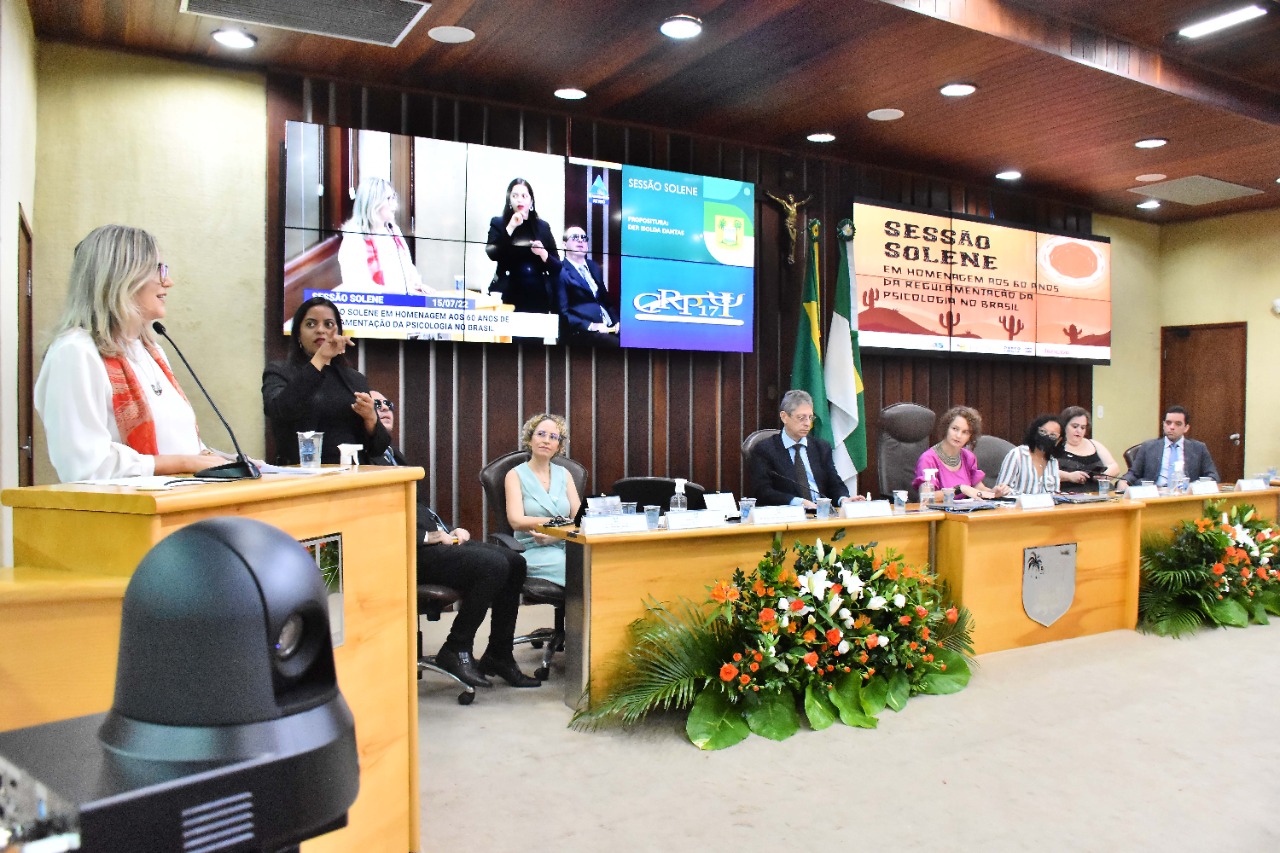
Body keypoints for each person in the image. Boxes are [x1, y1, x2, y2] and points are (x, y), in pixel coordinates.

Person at [370, 390, 538, 689]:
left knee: (514, 562)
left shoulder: (392, 454)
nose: (384, 409)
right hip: (406, 552)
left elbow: (419, 510)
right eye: (376, 405)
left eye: (388, 404)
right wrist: (427, 537)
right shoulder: (360, 459)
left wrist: (448, 530)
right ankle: (456, 647)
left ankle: (499, 654)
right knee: (493, 564)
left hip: (432, 542)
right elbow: (374, 520)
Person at [34, 225, 229, 482]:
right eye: (159, 270)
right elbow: (84, 466)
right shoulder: (75, 352)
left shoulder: (150, 351)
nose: (168, 281)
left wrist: (225, 461)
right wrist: (183, 463)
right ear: (122, 276)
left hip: (179, 499)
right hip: (124, 506)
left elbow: (179, 443)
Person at [262, 295, 392, 465]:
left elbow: (378, 448)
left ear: (339, 332)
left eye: (328, 324)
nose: (320, 330)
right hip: (301, 473)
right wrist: (320, 358)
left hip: (352, 474)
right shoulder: (280, 371)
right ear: (298, 334)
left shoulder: (354, 379)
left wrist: (371, 419)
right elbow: (280, 410)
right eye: (311, 324)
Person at [504, 413, 582, 587]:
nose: (546, 440)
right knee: (573, 568)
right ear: (530, 439)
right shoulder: (515, 475)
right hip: (532, 548)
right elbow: (516, 521)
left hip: (567, 544)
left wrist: (557, 535)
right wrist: (558, 524)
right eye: (541, 434)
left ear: (558, 446)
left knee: (596, 564)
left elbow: (579, 520)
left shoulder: (565, 474)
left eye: (553, 437)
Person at [748, 390, 857, 508]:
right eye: (801, 418)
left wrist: (843, 500)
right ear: (784, 417)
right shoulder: (765, 450)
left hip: (822, 513)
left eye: (810, 417)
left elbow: (835, 483)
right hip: (789, 515)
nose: (807, 424)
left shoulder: (821, 448)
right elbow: (763, 491)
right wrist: (798, 502)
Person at [336, 176, 429, 295]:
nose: (395, 204)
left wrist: (417, 286)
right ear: (373, 202)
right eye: (389, 199)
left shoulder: (393, 230)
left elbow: (408, 267)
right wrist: (401, 291)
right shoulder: (354, 239)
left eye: (394, 197)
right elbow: (357, 286)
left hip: (402, 301)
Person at [485, 178, 561, 315]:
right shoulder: (498, 223)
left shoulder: (543, 226)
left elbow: (557, 266)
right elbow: (492, 253)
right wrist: (511, 226)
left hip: (538, 295)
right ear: (509, 200)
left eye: (524, 196)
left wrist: (543, 253)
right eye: (515, 196)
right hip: (508, 292)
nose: (519, 200)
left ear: (531, 201)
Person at [913, 406, 1010, 500]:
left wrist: (994, 493)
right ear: (946, 428)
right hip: (938, 510)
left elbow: (978, 489)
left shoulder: (968, 457)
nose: (958, 435)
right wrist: (960, 489)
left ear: (971, 436)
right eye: (955, 429)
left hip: (965, 510)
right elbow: (926, 497)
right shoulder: (928, 459)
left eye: (965, 432)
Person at [1122, 405, 1219, 487]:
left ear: (1186, 428)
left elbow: (1213, 476)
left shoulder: (1199, 448)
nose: (1172, 427)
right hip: (1155, 495)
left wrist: (1195, 486)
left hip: (1186, 496)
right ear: (1163, 425)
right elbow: (1133, 474)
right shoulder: (1148, 447)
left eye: (1178, 424)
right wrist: (1123, 482)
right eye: (1168, 423)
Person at [555, 226, 619, 346]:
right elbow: (563, 313)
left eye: (584, 238)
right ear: (564, 244)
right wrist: (591, 326)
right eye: (575, 237)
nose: (580, 240)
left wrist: (617, 322)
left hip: (609, 328)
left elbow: (606, 302)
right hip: (583, 332)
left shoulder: (594, 267)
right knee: (618, 345)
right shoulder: (560, 270)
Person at [1056, 405, 1122, 493]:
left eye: (1083, 427)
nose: (1079, 431)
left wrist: (1104, 476)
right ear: (1064, 426)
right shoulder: (1055, 446)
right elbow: (1046, 473)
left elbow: (1114, 467)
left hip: (1100, 492)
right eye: (1075, 426)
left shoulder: (1094, 444)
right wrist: (1069, 476)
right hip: (1070, 493)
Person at [996, 414, 1063, 495]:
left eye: (1053, 435)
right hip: (1017, 503)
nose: (1046, 437)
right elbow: (1001, 490)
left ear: (1058, 440)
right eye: (1042, 432)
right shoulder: (1017, 455)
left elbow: (1055, 493)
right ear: (1035, 432)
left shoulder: (1053, 462)